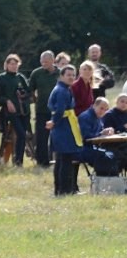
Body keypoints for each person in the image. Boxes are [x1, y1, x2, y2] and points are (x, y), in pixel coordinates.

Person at [46, 65, 82, 196]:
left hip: (63, 126)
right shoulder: (61, 91)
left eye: (73, 75)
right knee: (65, 160)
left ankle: (59, 190)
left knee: (61, 160)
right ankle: (64, 190)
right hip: (63, 128)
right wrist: (54, 121)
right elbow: (60, 109)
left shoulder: (63, 89)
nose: (72, 77)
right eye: (69, 75)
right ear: (61, 76)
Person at [0, 54, 31, 166]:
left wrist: (24, 95)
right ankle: (17, 162)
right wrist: (7, 101)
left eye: (16, 64)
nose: (14, 66)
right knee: (20, 134)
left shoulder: (20, 77)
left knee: (23, 135)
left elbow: (29, 92)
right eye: (12, 64)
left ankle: (19, 162)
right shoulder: (2, 78)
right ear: (6, 65)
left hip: (24, 111)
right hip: (11, 112)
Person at [28, 51, 59, 167]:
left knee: (56, 137)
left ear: (53, 61)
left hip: (57, 111)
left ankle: (56, 160)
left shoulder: (60, 73)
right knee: (41, 137)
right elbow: (30, 89)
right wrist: (34, 99)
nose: (44, 64)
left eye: (46, 62)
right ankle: (42, 162)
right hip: (41, 110)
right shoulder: (36, 73)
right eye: (42, 62)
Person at [76, 97, 114, 190]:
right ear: (94, 106)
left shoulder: (98, 118)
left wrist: (108, 131)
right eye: (101, 108)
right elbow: (85, 137)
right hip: (81, 149)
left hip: (91, 148)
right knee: (105, 158)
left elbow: (100, 131)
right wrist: (101, 134)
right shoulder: (85, 117)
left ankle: (113, 183)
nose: (103, 111)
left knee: (113, 155)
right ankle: (103, 186)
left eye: (105, 109)